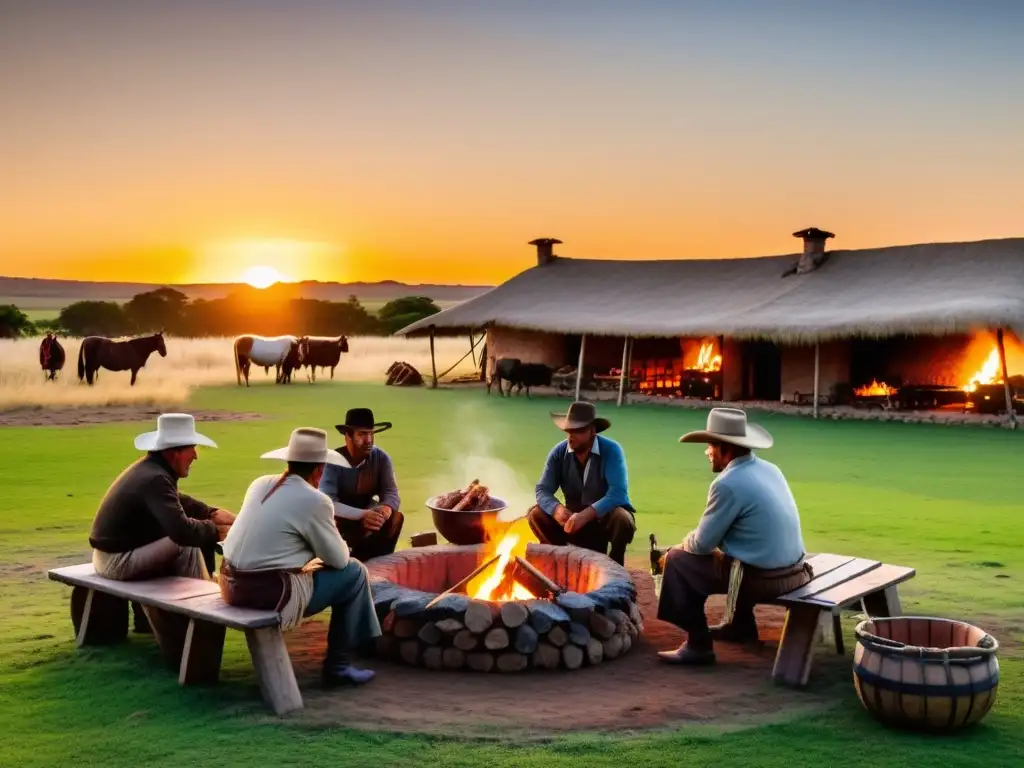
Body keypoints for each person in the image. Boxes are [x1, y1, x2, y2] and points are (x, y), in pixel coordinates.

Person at [219, 427, 380, 687]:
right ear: (319, 470)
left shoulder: (260, 484)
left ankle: (363, 644)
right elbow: (339, 560)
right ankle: (340, 665)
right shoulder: (316, 500)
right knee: (355, 573)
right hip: (268, 593)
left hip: (229, 583)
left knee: (336, 570)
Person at [656, 408, 813, 666]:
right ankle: (740, 626)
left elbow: (701, 545)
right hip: (794, 570)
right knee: (731, 558)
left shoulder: (728, 483)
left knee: (678, 560)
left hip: (767, 579)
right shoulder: (770, 468)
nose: (706, 452)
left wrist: (676, 547)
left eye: (710, 445)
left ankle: (698, 645)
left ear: (725, 447)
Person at [87, 413, 235, 633]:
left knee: (188, 536)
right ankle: (205, 613)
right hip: (116, 562)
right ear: (172, 452)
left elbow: (176, 501)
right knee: (185, 543)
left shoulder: (151, 470)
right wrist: (217, 531)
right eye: (191, 448)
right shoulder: (156, 478)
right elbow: (182, 531)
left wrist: (211, 513)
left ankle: (176, 613)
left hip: (112, 556)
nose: (196, 455)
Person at [527, 401, 637, 565]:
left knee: (622, 518)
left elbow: (618, 493)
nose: (571, 436)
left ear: (592, 431)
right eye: (569, 431)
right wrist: (556, 509)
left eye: (578, 431)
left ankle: (616, 568)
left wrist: (586, 515)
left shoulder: (612, 450)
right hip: (570, 521)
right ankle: (558, 562)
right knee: (536, 514)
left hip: (602, 522)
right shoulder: (559, 452)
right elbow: (543, 490)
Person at [318, 408, 404, 561]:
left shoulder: (381, 458)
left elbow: (391, 491)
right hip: (339, 518)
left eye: (371, 434)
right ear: (348, 436)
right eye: (362, 434)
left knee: (396, 518)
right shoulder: (332, 462)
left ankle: (379, 562)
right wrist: (362, 515)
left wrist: (385, 510)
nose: (369, 440)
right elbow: (327, 502)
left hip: (369, 512)